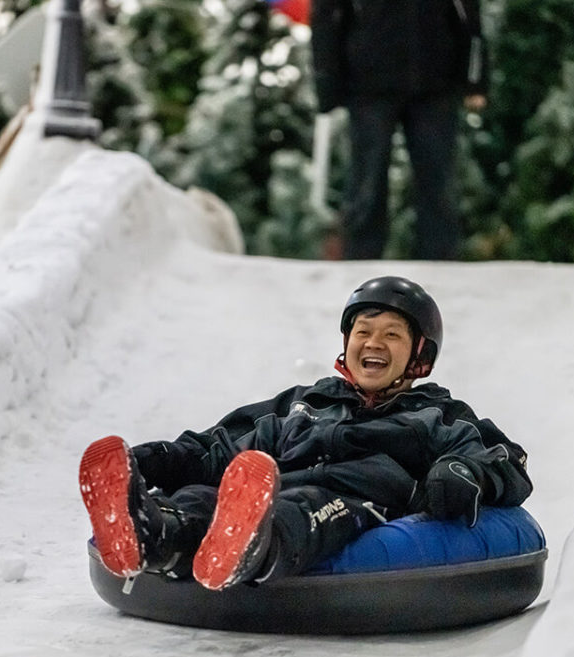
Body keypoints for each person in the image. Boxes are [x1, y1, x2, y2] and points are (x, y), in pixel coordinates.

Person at [78, 276, 530, 591]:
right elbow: (220, 447)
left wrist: (459, 471)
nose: (373, 343)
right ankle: (151, 536)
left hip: (353, 501)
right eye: (363, 331)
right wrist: (156, 459)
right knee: (200, 496)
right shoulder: (306, 403)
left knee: (306, 508)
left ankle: (252, 550)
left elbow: (502, 458)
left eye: (392, 335)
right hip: (263, 491)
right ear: (346, 343)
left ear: (418, 359)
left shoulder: (436, 415)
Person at [310, 0, 489, 261]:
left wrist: (476, 79)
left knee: (439, 187)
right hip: (367, 84)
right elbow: (327, 14)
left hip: (436, 84)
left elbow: (469, 15)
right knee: (366, 187)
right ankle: (358, 268)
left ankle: (443, 268)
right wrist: (327, 83)